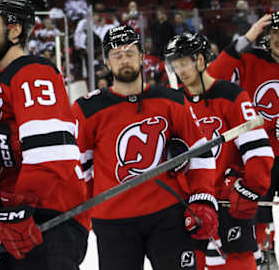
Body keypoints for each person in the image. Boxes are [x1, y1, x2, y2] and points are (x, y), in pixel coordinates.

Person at [71, 25, 218, 270]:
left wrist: (202, 198)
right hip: (113, 221)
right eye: (116, 55)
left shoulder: (170, 99)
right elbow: (80, 168)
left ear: (142, 57)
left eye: (130, 53)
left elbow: (200, 149)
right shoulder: (87, 108)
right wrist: (80, 217)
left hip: (168, 214)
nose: (124, 59)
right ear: (107, 62)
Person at [0, 0, 90, 269]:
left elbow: (51, 155)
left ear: (14, 30)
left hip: (44, 221)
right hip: (13, 219)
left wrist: (17, 208)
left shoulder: (33, 72)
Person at [165, 32, 274, 270]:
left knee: (237, 263)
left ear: (201, 60)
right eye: (176, 64)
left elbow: (259, 149)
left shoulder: (231, 94)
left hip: (227, 201)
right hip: (190, 204)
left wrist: (249, 189)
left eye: (185, 62)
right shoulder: (171, 102)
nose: (180, 70)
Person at [208, 12, 279, 268]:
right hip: (257, 154)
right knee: (255, 206)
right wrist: (248, 37)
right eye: (274, 33)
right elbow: (214, 75)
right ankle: (264, 250)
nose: (278, 39)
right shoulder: (250, 58)